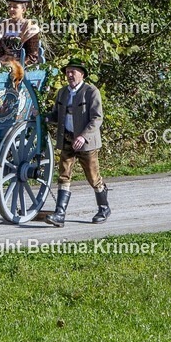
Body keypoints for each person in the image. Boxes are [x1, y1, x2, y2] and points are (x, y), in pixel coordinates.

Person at [45, 58, 110, 226]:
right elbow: (56, 115)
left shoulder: (91, 92)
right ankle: (60, 214)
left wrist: (83, 136)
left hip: (86, 143)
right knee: (64, 175)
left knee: (93, 177)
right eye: (67, 72)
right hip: (67, 140)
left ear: (82, 74)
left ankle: (103, 208)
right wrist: (42, 116)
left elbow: (97, 119)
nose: (69, 75)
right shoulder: (62, 93)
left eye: (73, 72)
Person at [0, 0, 42, 65]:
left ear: (23, 10)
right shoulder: (3, 25)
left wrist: (18, 65)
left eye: (15, 7)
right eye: (9, 6)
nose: (11, 9)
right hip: (2, 63)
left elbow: (32, 56)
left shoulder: (30, 27)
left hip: (21, 64)